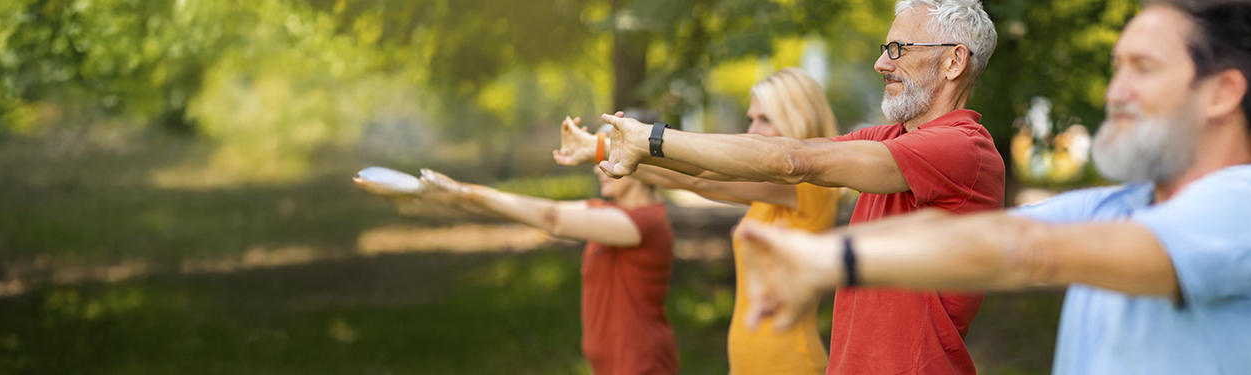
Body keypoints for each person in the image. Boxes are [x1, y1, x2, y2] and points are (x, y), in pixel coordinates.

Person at [732, 1, 1251, 374]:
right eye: (1116, 67)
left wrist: (832, 258)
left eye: (1142, 69)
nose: (1114, 92)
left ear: (1222, 93)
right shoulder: (1126, 204)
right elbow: (996, 234)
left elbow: (1027, 252)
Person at [579, 1, 1003, 373]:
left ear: (953, 61)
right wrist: (610, 146)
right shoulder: (890, 138)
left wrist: (653, 139)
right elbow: (716, 172)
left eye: (898, 49)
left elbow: (792, 160)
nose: (882, 64)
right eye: (883, 50)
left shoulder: (962, 148)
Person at [554, 68, 843, 374]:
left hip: (789, 363)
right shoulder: (771, 195)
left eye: (765, 119)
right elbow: (689, 177)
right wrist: (600, 149)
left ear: (798, 119)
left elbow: (700, 179)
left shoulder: (804, 186)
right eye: (751, 119)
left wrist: (611, 146)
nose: (754, 130)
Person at [354, 166, 679, 375]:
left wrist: (468, 193)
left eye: (610, 155)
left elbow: (552, 219)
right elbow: (532, 212)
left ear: (644, 164)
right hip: (610, 364)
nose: (599, 167)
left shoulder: (646, 223)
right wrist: (451, 196)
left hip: (641, 364)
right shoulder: (607, 212)